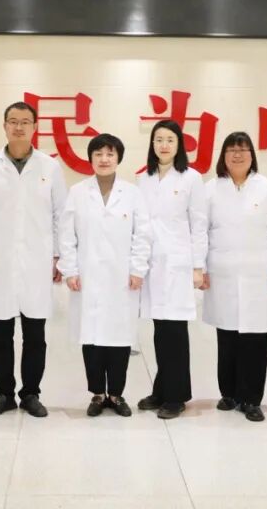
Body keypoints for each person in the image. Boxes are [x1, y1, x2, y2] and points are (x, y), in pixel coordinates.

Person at [0, 102, 67, 418]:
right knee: (0, 335)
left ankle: (31, 393)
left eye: (25, 122)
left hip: (38, 261)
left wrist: (58, 256)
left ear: (35, 126)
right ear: (4, 126)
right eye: (13, 121)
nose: (19, 127)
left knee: (35, 335)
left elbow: (61, 215)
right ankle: (4, 394)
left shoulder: (49, 167)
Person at [202, 132, 267, 423]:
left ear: (252, 155)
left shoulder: (266, 189)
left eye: (243, 150)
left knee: (255, 338)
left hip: (258, 275)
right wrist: (200, 267)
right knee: (227, 336)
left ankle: (251, 399)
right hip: (222, 272)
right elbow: (200, 231)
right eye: (231, 150)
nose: (237, 155)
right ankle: (229, 393)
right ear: (223, 156)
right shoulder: (211, 189)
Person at [59, 134, 151, 418]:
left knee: (120, 337)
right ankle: (98, 393)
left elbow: (142, 234)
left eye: (110, 154)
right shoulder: (77, 192)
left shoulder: (132, 193)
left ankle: (117, 394)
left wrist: (137, 269)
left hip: (123, 278)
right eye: (98, 154)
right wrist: (70, 270)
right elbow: (66, 235)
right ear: (90, 159)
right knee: (92, 336)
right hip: (87, 276)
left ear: (118, 158)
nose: (104, 159)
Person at [136, 120, 208, 420]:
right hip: (152, 264)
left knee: (176, 332)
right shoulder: (144, 178)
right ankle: (162, 389)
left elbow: (199, 225)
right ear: (152, 144)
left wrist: (198, 266)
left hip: (178, 263)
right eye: (159, 139)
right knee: (160, 331)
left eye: (170, 140)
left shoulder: (191, 178)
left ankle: (176, 396)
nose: (164, 145)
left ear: (179, 145)